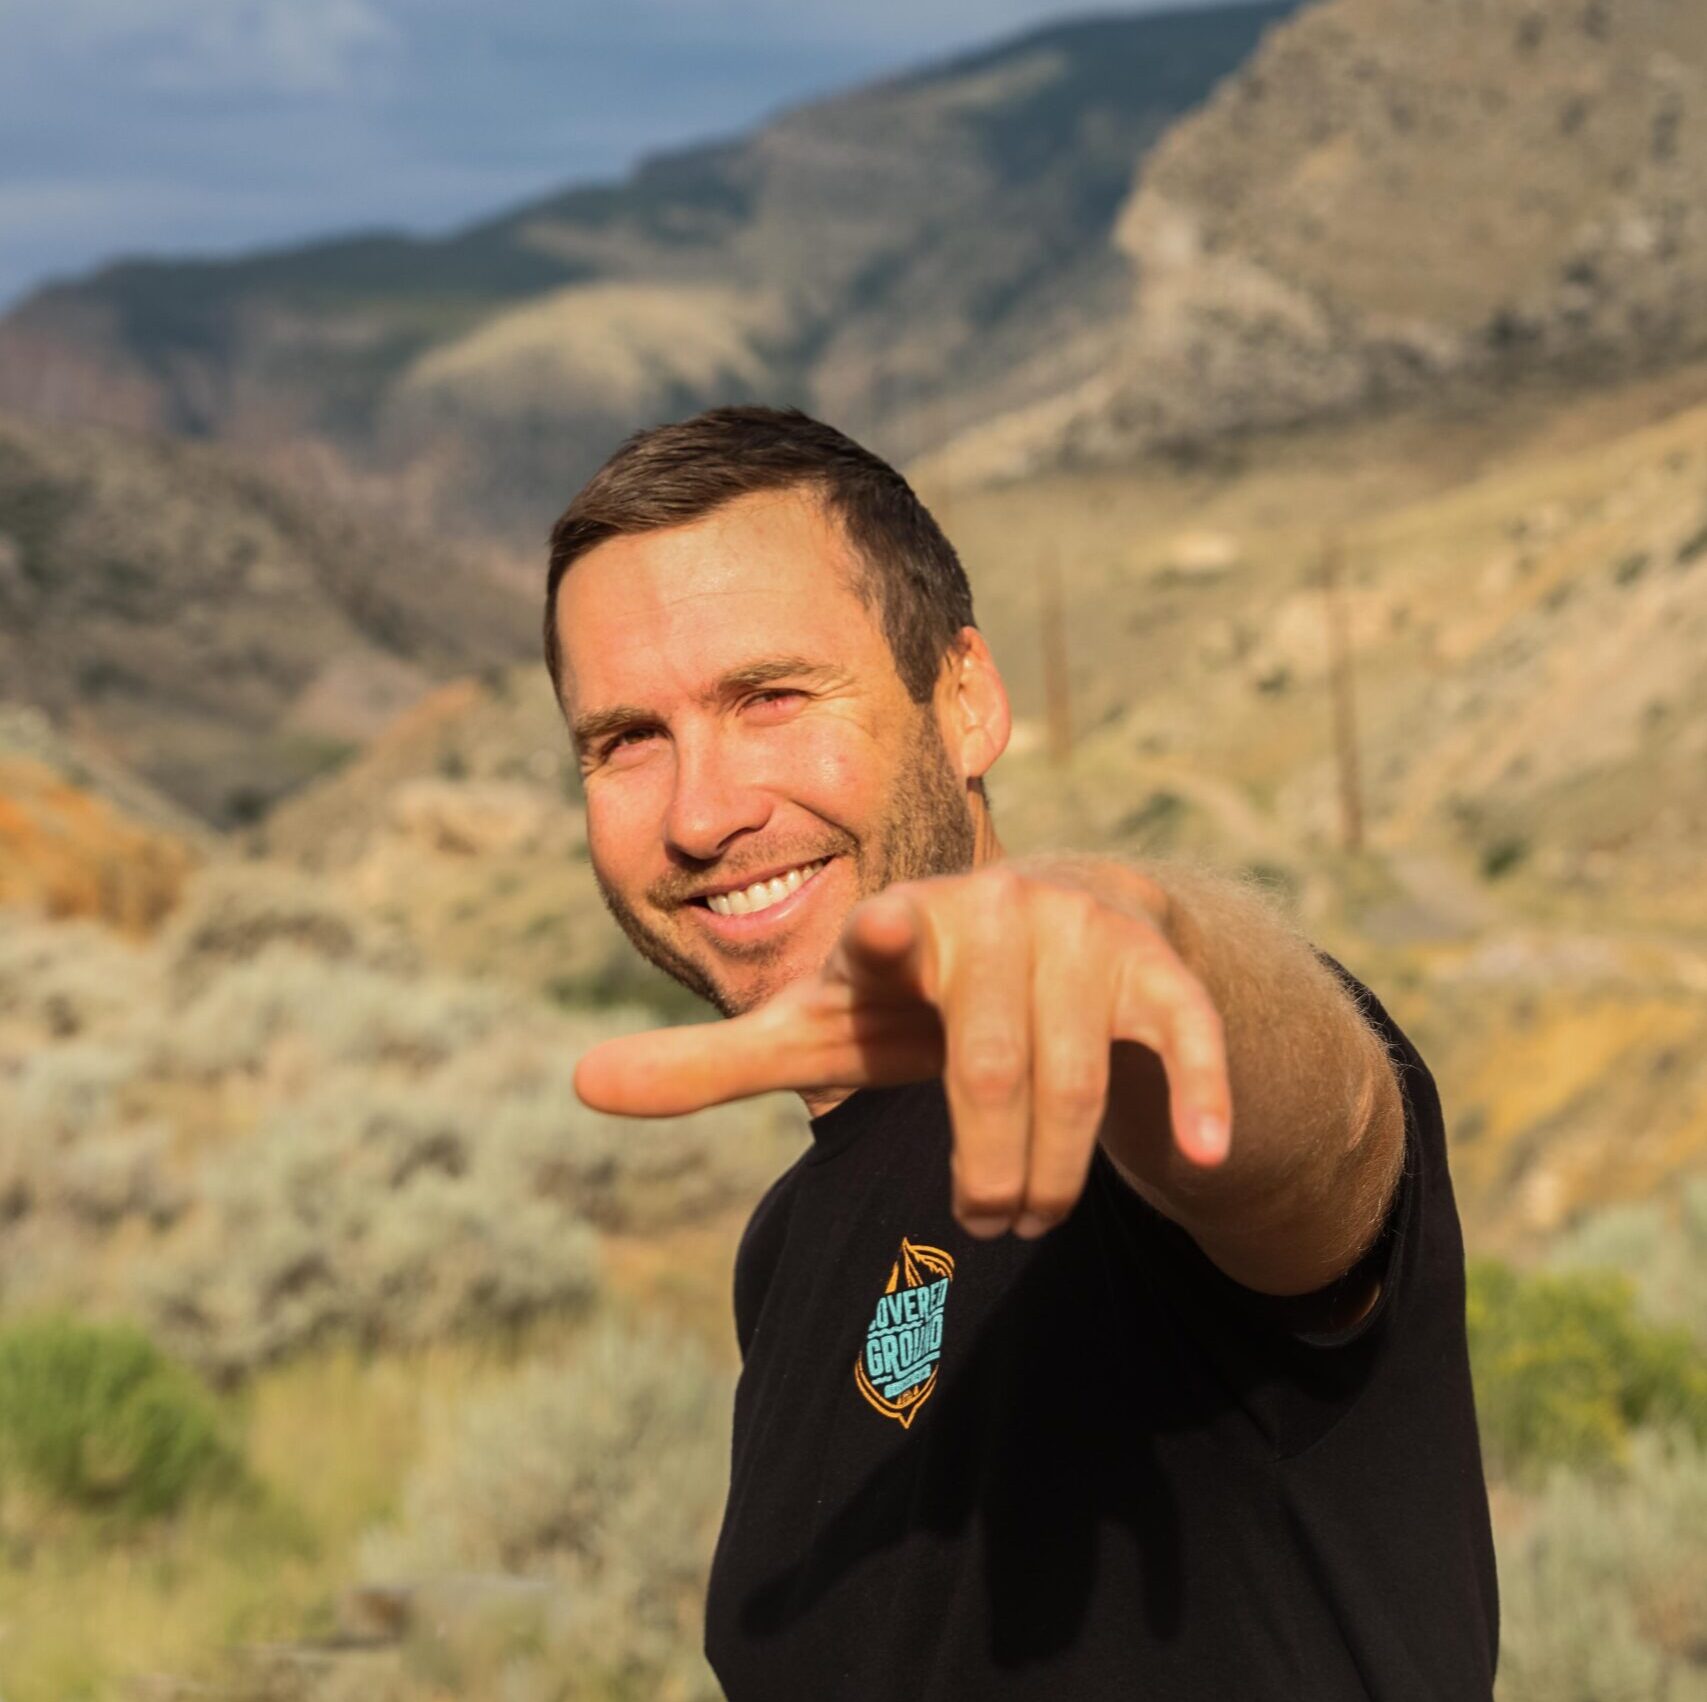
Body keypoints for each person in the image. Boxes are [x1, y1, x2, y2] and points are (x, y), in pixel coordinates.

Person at [543, 405, 1499, 1700]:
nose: (704, 811)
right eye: (627, 741)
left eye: (769, 697)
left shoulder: (1126, 1086)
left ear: (967, 699)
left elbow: (1323, 1134)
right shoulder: (787, 1245)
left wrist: (1165, 943)